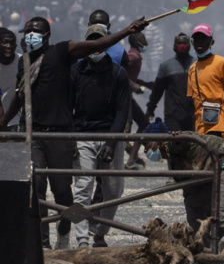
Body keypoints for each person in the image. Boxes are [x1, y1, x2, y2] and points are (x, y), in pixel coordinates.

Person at [0, 15, 148, 249]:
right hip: (36, 134)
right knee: (39, 189)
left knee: (64, 193)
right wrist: (4, 122)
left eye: (36, 31)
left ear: (47, 36)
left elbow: (98, 45)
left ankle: (69, 228)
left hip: (62, 135)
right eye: (28, 31)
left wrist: (127, 31)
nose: (31, 35)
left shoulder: (62, 52)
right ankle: (47, 242)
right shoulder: (26, 62)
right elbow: (20, 96)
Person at [143, 126, 224, 264]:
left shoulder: (174, 143)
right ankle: (208, 256)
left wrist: (177, 137)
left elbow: (184, 141)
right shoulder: (172, 158)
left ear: (159, 140)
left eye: (146, 145)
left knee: (222, 214)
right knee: (195, 212)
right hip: (215, 170)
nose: (145, 150)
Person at [70, 24, 131, 248]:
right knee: (82, 188)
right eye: (92, 41)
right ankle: (82, 238)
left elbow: (122, 111)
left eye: (99, 40)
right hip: (83, 136)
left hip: (110, 135)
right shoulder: (76, 71)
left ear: (106, 43)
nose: (95, 46)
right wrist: (71, 139)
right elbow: (67, 107)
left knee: (113, 190)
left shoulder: (118, 73)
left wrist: (111, 142)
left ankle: (100, 232)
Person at [187, 24, 224, 144]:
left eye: (204, 39)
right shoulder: (192, 69)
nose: (200, 42)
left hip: (220, 127)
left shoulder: (223, 63)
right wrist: (193, 133)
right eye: (197, 39)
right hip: (200, 128)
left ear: (211, 42)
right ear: (192, 42)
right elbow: (193, 105)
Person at [145, 33, 195, 131]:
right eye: (179, 43)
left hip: (193, 115)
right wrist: (150, 109)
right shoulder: (166, 66)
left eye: (184, 43)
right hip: (173, 116)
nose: (182, 46)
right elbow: (157, 91)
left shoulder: (196, 64)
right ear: (174, 46)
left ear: (189, 46)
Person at [125, 32, 153, 170]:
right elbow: (121, 75)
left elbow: (131, 77)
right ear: (137, 42)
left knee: (144, 124)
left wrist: (146, 84)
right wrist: (136, 87)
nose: (146, 42)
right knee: (126, 129)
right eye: (143, 39)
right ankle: (130, 156)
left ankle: (132, 157)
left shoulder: (136, 56)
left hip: (129, 98)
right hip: (124, 99)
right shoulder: (132, 57)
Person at [0, 27, 21, 128]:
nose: (8, 47)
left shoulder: (22, 61)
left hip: (16, 121)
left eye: (12, 43)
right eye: (5, 42)